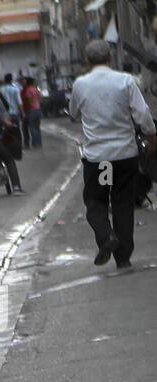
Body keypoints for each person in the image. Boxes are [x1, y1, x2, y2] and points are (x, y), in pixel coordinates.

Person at [69, 39, 157, 268]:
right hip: (124, 156)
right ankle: (123, 258)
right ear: (110, 57)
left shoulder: (80, 84)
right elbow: (143, 114)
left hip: (99, 160)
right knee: (123, 203)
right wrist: (151, 136)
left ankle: (106, 236)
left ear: (87, 61)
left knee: (96, 200)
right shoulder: (125, 81)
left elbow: (73, 113)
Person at [20, 77, 43, 148]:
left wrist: (31, 106)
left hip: (32, 110)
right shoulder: (36, 89)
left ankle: (35, 143)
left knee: (32, 128)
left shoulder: (28, 90)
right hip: (38, 109)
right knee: (37, 127)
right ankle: (39, 143)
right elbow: (40, 98)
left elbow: (29, 100)